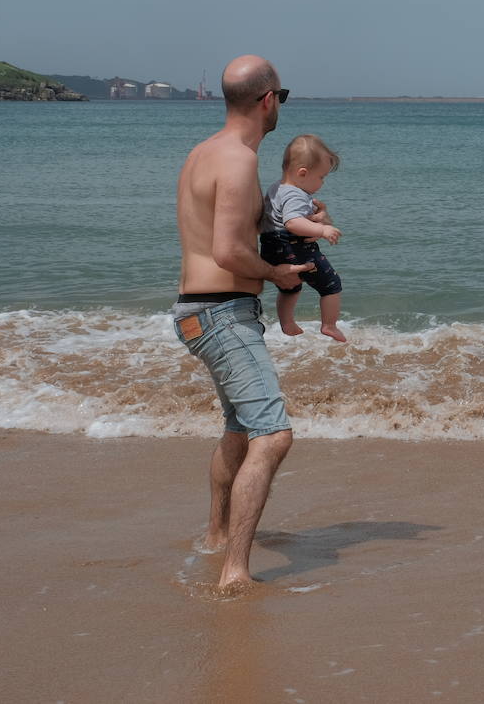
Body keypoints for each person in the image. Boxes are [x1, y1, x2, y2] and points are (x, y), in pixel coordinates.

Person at [172, 54, 313, 590]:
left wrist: (299, 216)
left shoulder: (205, 153)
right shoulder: (235, 160)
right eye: (284, 97)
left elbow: (232, 223)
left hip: (200, 311)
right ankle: (234, 571)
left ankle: (215, 535)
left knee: (238, 430)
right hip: (221, 313)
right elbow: (230, 251)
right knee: (273, 435)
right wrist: (277, 274)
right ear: (268, 100)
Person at [260, 134, 346, 341]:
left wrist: (319, 220)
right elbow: (293, 223)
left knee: (291, 287)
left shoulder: (276, 188)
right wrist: (322, 231)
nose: (322, 182)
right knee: (331, 284)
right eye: (321, 177)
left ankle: (287, 322)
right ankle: (329, 325)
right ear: (302, 173)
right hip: (292, 247)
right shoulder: (295, 194)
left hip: (272, 248)